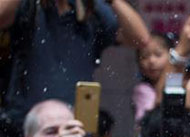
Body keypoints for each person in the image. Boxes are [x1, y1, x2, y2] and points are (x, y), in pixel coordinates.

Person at [0, 0, 149, 127]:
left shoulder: (90, 9)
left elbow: (140, 39)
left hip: (77, 125)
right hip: (27, 126)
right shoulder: (30, 6)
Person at [133, 32, 173, 123]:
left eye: (158, 55)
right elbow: (147, 122)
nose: (151, 61)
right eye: (144, 56)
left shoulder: (182, 83)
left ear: (171, 55)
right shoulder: (142, 90)